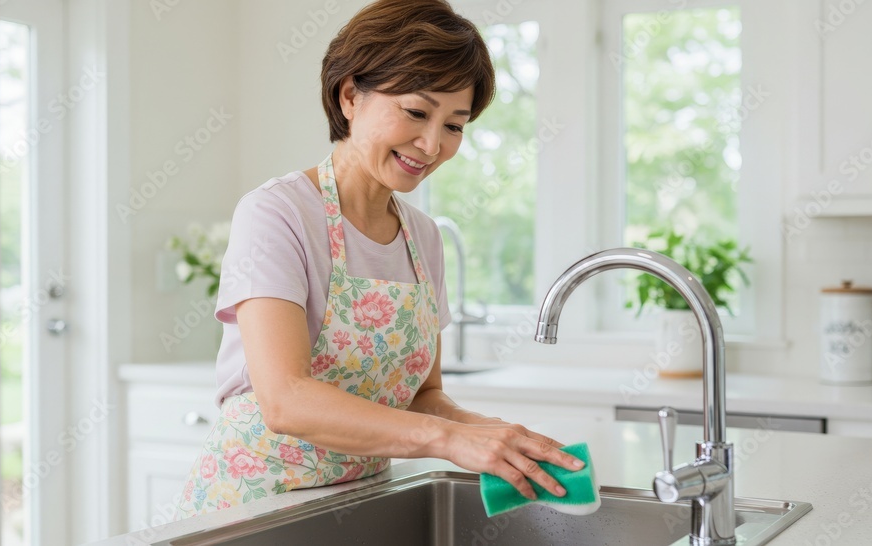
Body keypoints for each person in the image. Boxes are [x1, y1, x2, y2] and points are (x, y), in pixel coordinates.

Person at [174, 0, 584, 519]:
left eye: (454, 125)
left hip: (356, 504)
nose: (432, 143)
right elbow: (286, 399)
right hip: (253, 510)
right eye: (416, 112)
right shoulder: (276, 214)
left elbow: (424, 396)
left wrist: (503, 440)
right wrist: (449, 442)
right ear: (350, 96)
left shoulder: (424, 237)